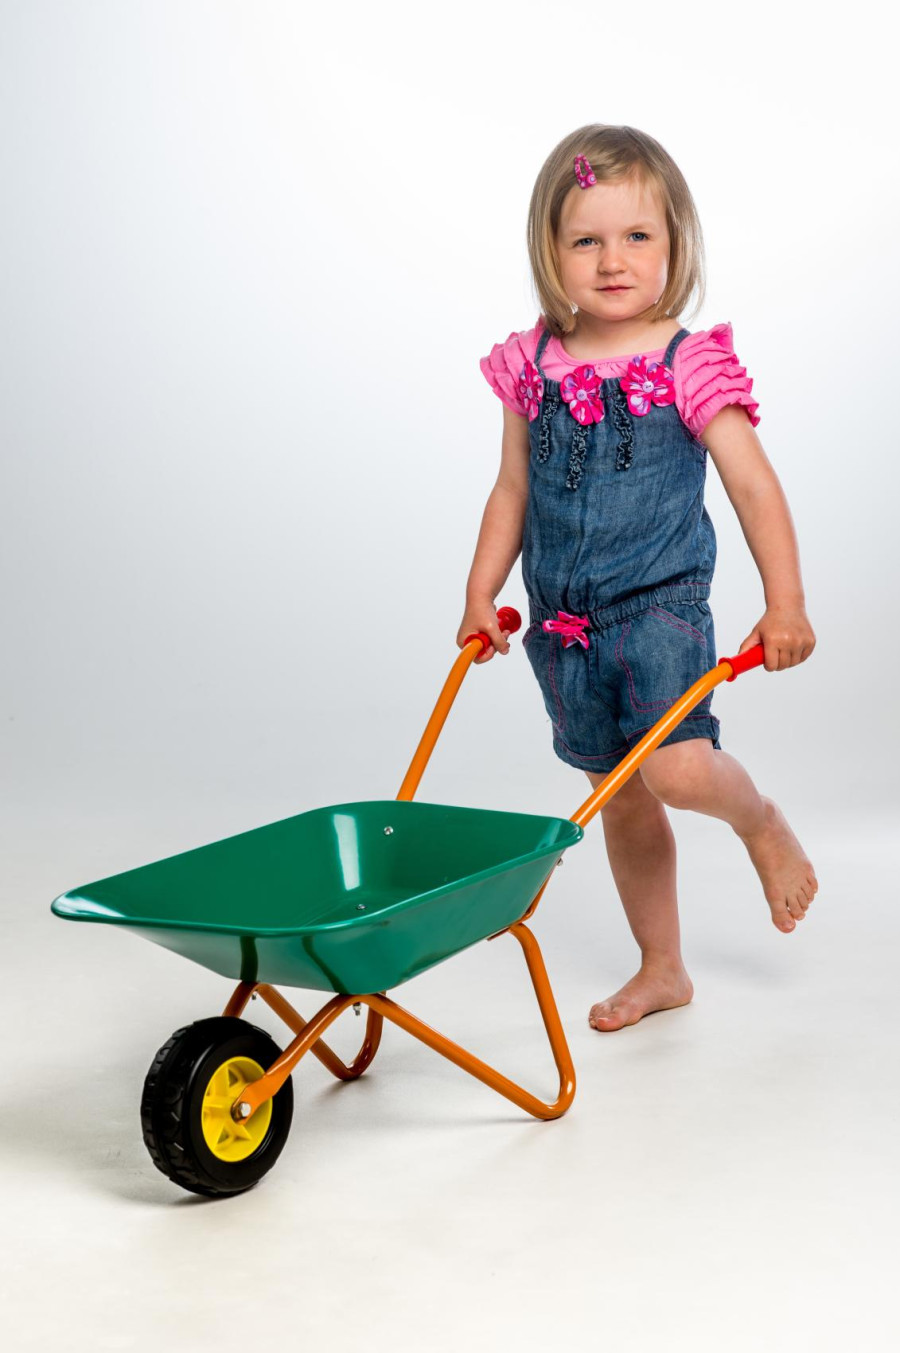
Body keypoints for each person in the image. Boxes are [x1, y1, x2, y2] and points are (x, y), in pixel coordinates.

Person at [459, 124, 819, 1033]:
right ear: (550, 251)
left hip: (659, 609)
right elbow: (511, 489)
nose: (612, 260)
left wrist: (785, 602)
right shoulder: (533, 364)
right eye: (586, 240)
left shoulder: (685, 362)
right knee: (618, 797)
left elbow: (752, 483)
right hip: (563, 623)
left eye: (636, 237)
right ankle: (663, 967)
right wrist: (479, 593)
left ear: (674, 243)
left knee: (679, 769)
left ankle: (759, 820)